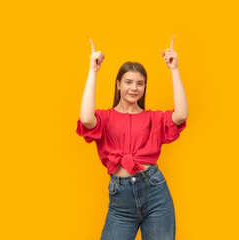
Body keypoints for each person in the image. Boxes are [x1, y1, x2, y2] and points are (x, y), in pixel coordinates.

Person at [76, 36, 188, 240]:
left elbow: (180, 115)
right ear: (118, 84)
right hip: (121, 202)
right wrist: (93, 71)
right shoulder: (104, 117)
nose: (134, 88)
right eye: (128, 82)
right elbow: (85, 118)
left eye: (140, 83)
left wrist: (174, 70)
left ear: (144, 87)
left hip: (156, 194)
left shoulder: (153, 118)